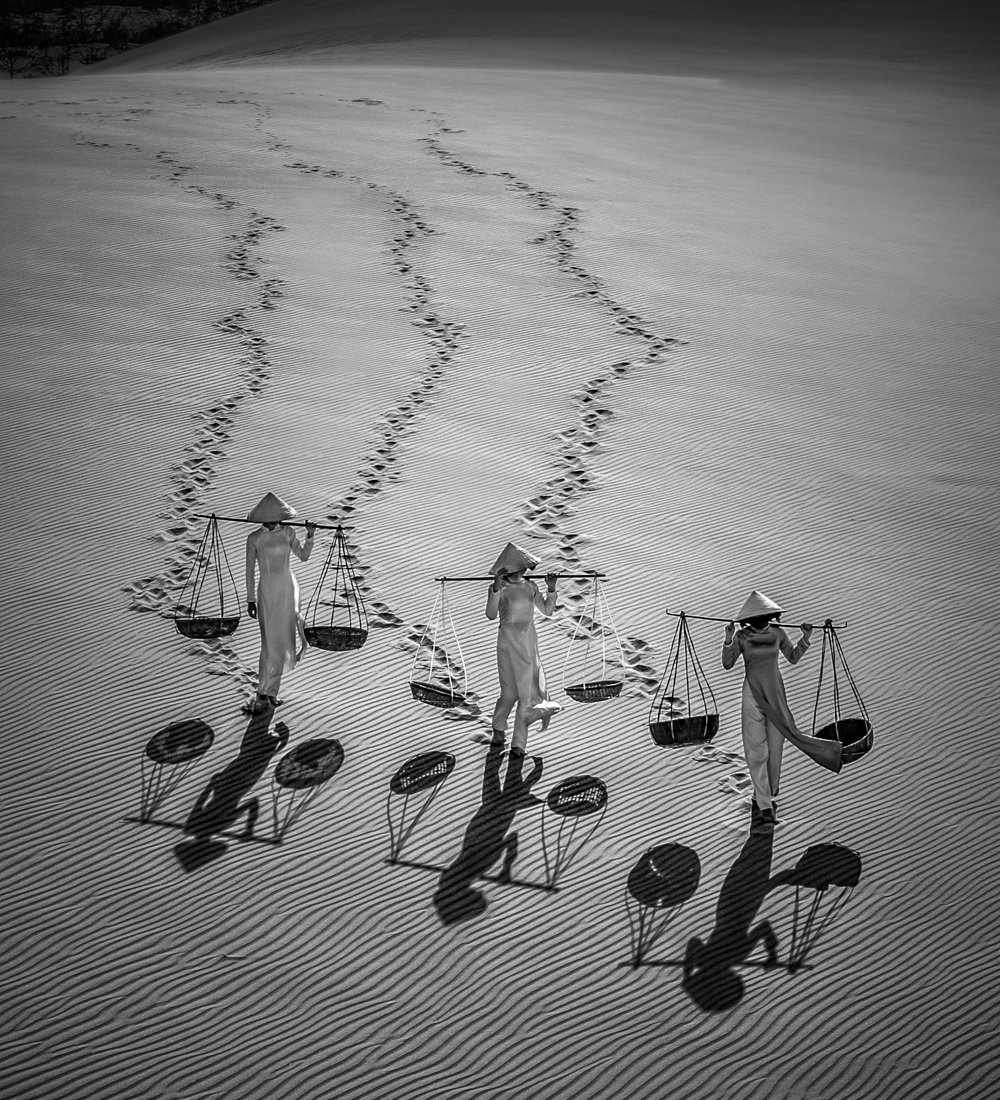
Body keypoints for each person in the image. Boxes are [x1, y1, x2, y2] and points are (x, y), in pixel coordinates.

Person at [722, 590, 841, 825]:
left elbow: (793, 657)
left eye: (767, 615)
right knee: (756, 748)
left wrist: (805, 638)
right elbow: (727, 664)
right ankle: (764, 804)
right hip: (752, 694)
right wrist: (727, 639)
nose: (763, 619)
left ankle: (765, 792)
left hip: (775, 693)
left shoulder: (777, 633)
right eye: (759, 616)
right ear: (749, 619)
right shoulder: (741, 636)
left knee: (776, 747)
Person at [485, 541, 562, 756]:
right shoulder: (501, 588)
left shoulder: (530, 587)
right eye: (522, 567)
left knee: (526, 693)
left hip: (527, 644)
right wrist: (495, 588)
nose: (525, 570)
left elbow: (547, 610)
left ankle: (518, 744)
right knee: (509, 692)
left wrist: (551, 588)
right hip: (507, 643)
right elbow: (491, 614)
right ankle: (498, 730)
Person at [244, 492, 316, 714]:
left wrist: (310, 535)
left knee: (284, 641)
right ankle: (260, 693)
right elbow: (249, 572)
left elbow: (303, 556)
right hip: (266, 593)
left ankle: (272, 693)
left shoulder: (288, 532)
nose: (274, 520)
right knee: (268, 644)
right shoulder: (254, 538)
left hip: (287, 590)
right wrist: (250, 599)